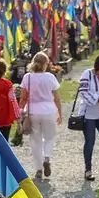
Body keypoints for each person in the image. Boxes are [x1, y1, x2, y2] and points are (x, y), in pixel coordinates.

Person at [18, 52, 62, 180]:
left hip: (33, 111)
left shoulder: (28, 77)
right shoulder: (49, 77)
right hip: (49, 110)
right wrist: (59, 112)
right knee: (49, 137)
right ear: (45, 64)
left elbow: (23, 98)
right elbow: (57, 98)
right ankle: (47, 157)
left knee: (35, 140)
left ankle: (38, 169)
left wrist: (20, 113)